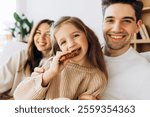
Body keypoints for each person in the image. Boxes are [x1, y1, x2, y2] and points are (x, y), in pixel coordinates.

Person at [13, 16, 108, 100]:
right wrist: (51, 73)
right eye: (63, 42)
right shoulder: (51, 64)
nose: (71, 44)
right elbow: (19, 97)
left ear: (87, 36)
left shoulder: (98, 78)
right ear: (59, 48)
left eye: (76, 35)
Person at [100, 0, 150, 99]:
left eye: (126, 21)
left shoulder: (145, 73)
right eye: (110, 20)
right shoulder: (84, 56)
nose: (117, 29)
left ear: (137, 26)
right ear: (103, 23)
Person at [0, 19, 54, 99]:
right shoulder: (21, 55)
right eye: (38, 33)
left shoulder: (55, 64)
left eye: (48, 34)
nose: (41, 38)